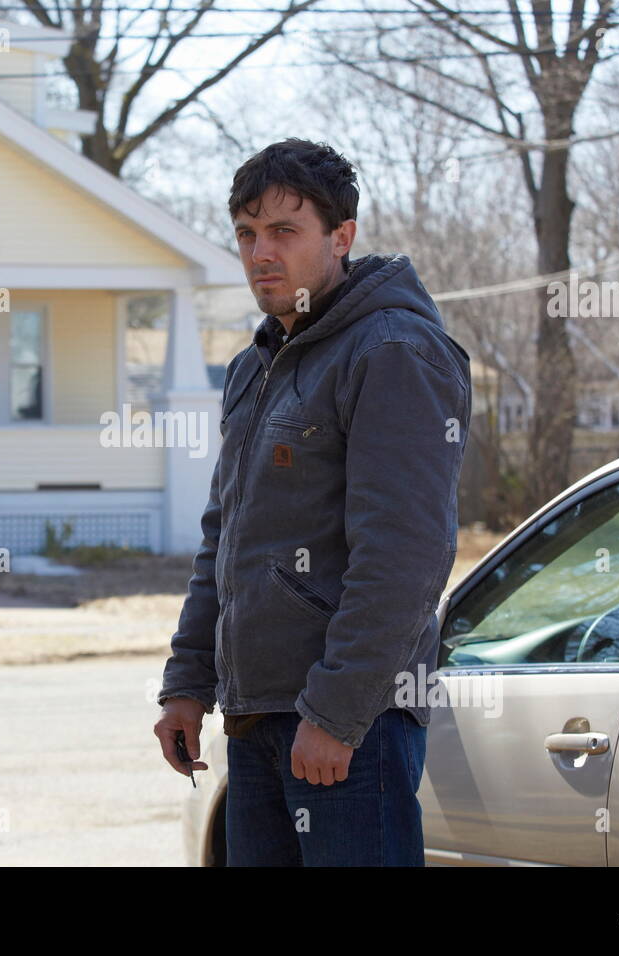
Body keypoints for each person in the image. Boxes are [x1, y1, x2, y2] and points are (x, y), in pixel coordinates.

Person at [153, 138, 472, 866]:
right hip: (257, 717)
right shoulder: (253, 367)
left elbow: (407, 555)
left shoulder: (393, 350)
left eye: (284, 231)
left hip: (351, 727)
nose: (260, 251)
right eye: (246, 233)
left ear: (342, 237)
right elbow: (223, 541)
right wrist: (187, 684)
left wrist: (336, 710)